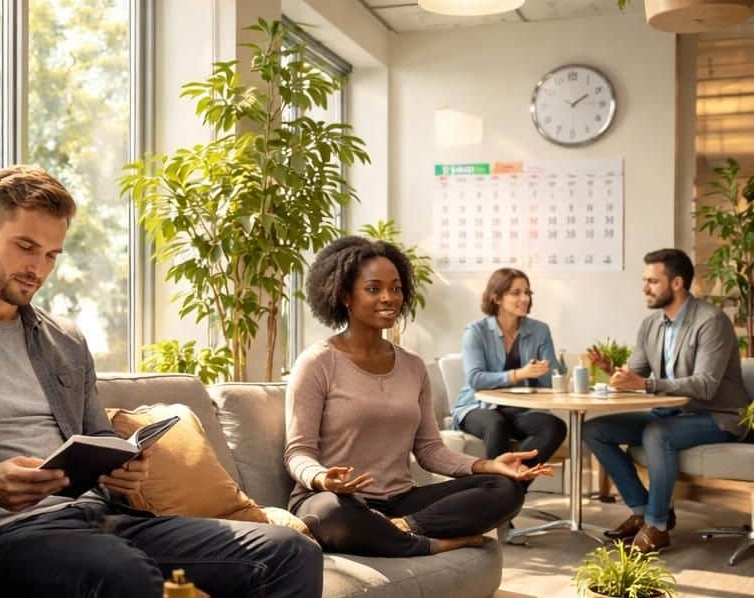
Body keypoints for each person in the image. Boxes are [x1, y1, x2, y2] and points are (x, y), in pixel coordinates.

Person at [0, 164, 324, 598]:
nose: (38, 269)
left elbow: (96, 435)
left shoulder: (65, 341)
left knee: (288, 553)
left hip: (102, 517)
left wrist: (122, 468)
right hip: (6, 538)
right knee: (119, 569)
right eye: (25, 247)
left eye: (51, 255)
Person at [285, 236, 549, 559]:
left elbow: (429, 450)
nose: (388, 298)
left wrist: (488, 464)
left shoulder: (412, 366)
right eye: (373, 288)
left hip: (398, 501)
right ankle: (427, 543)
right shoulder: (317, 363)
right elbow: (297, 453)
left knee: (505, 489)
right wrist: (322, 477)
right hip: (334, 500)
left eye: (395, 288)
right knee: (330, 514)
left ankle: (402, 528)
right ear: (344, 296)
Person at [582, 248, 751, 554]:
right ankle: (642, 509)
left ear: (677, 283)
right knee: (594, 430)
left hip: (718, 416)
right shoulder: (651, 325)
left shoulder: (711, 321)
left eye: (652, 281)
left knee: (656, 434)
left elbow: (705, 385)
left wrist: (645, 384)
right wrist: (614, 374)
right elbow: (636, 372)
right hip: (672, 414)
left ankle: (657, 526)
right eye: (644, 280)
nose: (644, 287)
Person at [451, 267, 567, 469]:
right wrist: (519, 374)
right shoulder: (476, 332)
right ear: (496, 298)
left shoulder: (540, 330)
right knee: (496, 425)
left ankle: (509, 489)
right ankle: (503, 491)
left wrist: (550, 369)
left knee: (554, 427)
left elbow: (551, 382)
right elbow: (475, 379)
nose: (525, 298)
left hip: (518, 410)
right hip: (476, 407)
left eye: (527, 292)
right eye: (516, 293)